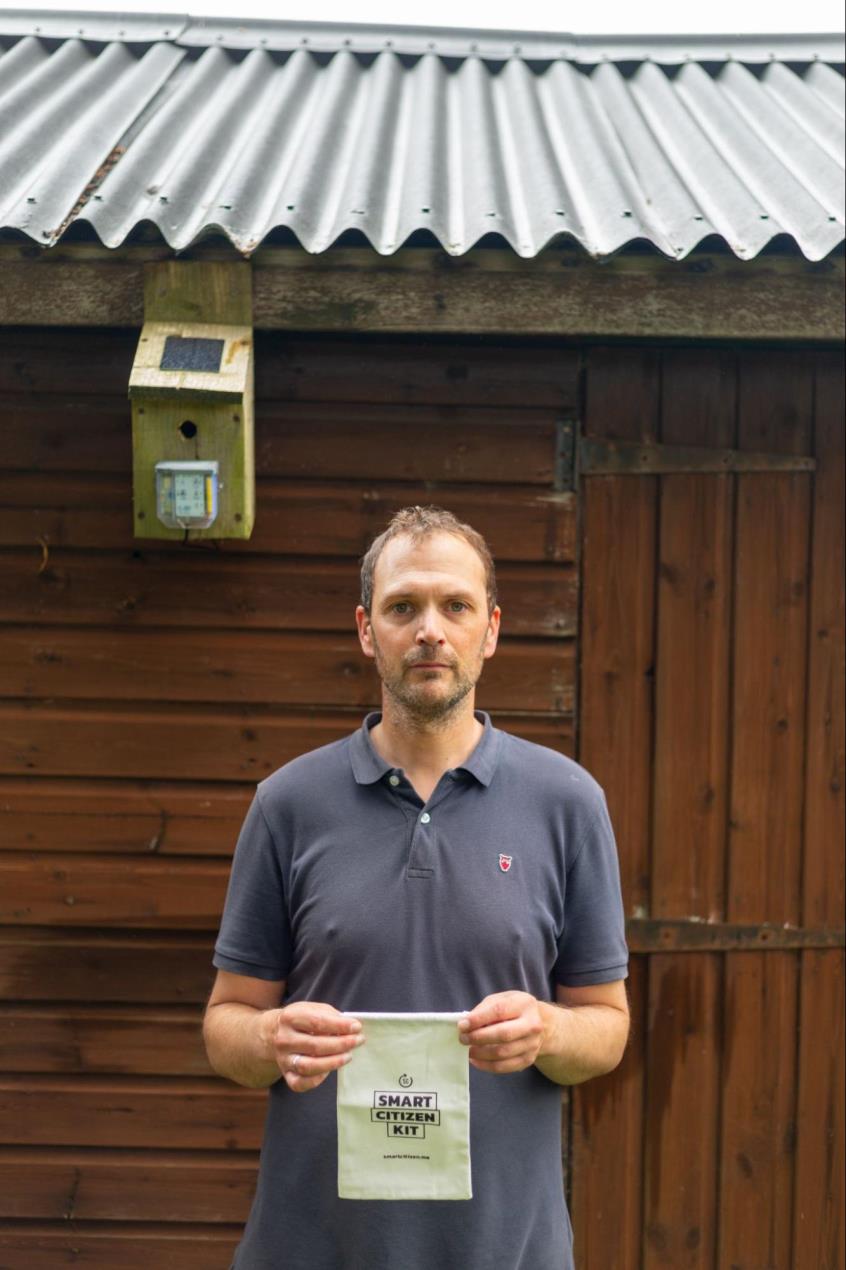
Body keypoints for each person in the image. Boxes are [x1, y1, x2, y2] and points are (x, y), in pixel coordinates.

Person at [203, 505, 630, 1270]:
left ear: (490, 630)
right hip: (311, 1250)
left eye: (455, 606)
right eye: (404, 607)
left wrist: (548, 1030)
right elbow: (226, 1025)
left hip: (507, 1250)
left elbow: (607, 1028)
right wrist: (269, 1039)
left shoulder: (568, 802)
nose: (430, 629)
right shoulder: (288, 804)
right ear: (368, 630)